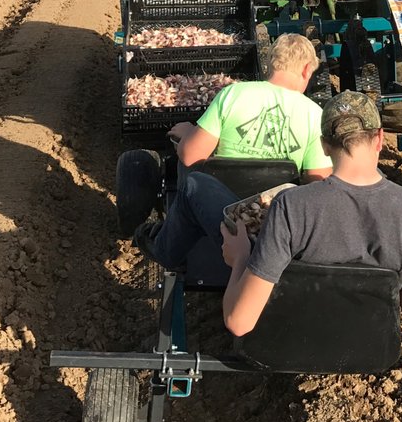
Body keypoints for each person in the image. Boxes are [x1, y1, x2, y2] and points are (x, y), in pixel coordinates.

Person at [220, 91, 402, 335]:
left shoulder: (290, 205)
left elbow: (239, 322)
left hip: (297, 340)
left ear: (323, 145)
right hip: (374, 350)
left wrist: (240, 260)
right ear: (380, 139)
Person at [135, 34, 332, 270]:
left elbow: (191, 156)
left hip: (219, 214)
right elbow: (317, 181)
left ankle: (166, 248)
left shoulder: (234, 94)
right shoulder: (314, 114)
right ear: (307, 69)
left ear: (269, 63)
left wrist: (188, 132)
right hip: (273, 223)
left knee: (190, 174)